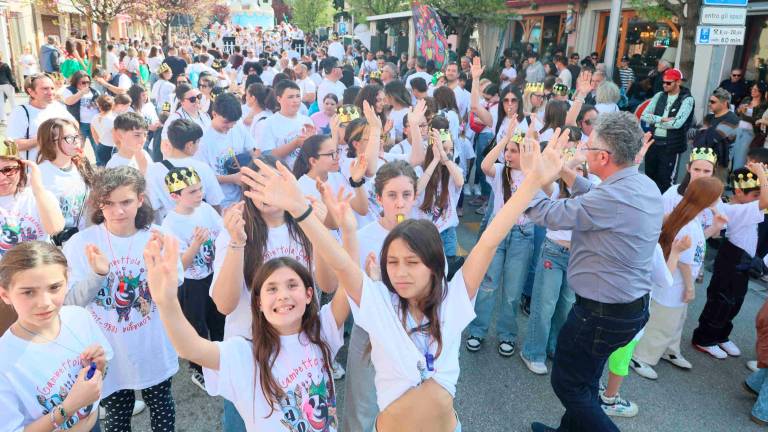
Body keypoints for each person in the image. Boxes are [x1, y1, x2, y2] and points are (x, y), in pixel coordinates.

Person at [240, 122, 567, 432]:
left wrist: (531, 183)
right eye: (392, 262)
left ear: (435, 264)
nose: (399, 271)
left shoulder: (452, 302)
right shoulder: (381, 305)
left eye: (412, 261)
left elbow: (490, 239)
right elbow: (340, 263)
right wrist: (299, 209)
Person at [527, 111, 664, 432]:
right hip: (628, 310)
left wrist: (531, 176)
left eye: (588, 148)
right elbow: (596, 196)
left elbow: (543, 211)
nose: (582, 152)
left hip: (601, 315)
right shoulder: (641, 183)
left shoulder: (612, 196)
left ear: (603, 157)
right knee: (585, 379)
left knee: (568, 385)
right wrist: (562, 170)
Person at [208, 156, 332, 432]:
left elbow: (328, 284)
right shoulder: (234, 232)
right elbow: (224, 305)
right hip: (249, 352)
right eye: (257, 185)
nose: (267, 193)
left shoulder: (304, 223)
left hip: (300, 350)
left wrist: (319, 229)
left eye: (272, 183)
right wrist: (236, 244)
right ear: (246, 191)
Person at [63, 166, 181, 432]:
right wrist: (97, 274)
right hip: (109, 353)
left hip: (153, 348)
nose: (118, 211)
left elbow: (171, 295)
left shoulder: (158, 237)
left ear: (140, 199)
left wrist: (162, 266)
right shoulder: (81, 243)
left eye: (126, 202)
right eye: (109, 203)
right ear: (98, 204)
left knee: (162, 408)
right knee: (116, 417)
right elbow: (70, 304)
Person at [0, 241, 112, 432]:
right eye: (28, 292)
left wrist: (99, 367)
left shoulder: (79, 317)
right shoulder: (5, 361)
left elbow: (103, 371)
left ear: (67, 282)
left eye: (54, 288)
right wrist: (69, 405)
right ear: (5, 295)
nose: (44, 302)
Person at [631, 176, 726, 380]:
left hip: (678, 281)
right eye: (717, 196)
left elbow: (697, 244)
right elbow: (684, 259)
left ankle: (669, 349)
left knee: (676, 319)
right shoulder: (689, 223)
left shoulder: (693, 218)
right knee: (662, 322)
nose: (720, 199)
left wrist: (715, 227)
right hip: (675, 283)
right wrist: (690, 287)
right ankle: (641, 357)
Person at [466, 120, 535, 356]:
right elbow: (485, 164)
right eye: (508, 151)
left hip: (522, 235)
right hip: (497, 233)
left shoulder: (532, 175)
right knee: (487, 284)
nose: (509, 154)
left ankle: (507, 334)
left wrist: (528, 149)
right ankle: (478, 330)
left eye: (514, 151)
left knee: (512, 291)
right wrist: (505, 139)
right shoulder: (499, 172)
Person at [692, 164, 768, 358]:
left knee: (736, 301)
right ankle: (704, 338)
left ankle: (720, 336)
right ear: (739, 191)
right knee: (720, 301)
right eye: (755, 194)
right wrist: (761, 175)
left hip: (743, 260)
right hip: (731, 259)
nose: (759, 199)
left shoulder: (745, 206)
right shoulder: (735, 209)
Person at [160, 166, 225, 391]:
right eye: (192, 192)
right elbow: (180, 266)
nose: (199, 195)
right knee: (196, 326)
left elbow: (223, 232)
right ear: (174, 196)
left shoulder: (205, 209)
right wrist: (196, 245)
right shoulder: (170, 224)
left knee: (219, 318)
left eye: (200, 189)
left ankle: (220, 360)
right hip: (191, 283)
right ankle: (199, 370)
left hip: (213, 276)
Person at [146, 118, 224, 222]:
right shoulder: (203, 168)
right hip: (199, 229)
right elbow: (215, 204)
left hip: (168, 230)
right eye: (198, 142)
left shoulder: (152, 170)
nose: (199, 146)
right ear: (189, 145)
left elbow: (151, 207)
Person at [36, 117, 95, 245]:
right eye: (69, 138)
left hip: (82, 240)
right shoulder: (40, 174)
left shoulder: (81, 166)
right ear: (51, 142)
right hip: (54, 245)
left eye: (77, 136)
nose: (76, 142)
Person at [196, 92, 257, 209]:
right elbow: (205, 178)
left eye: (233, 122)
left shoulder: (238, 127)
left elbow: (253, 152)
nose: (230, 126)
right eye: (226, 122)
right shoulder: (203, 142)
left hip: (246, 197)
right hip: (222, 202)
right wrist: (233, 179)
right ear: (214, 114)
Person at [641, 68, 695, 193]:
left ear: (678, 82)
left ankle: (664, 206)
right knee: (649, 176)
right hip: (654, 142)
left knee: (665, 179)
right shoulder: (659, 95)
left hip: (670, 145)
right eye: (663, 82)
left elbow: (677, 124)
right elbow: (644, 115)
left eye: (668, 83)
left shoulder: (687, 99)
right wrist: (662, 119)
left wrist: (655, 121)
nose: (665, 85)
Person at [7, 73, 76, 162]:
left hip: (62, 167)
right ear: (31, 91)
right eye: (45, 89)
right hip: (36, 171)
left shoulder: (57, 106)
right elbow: (13, 145)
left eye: (52, 88)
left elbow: (74, 124)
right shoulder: (20, 112)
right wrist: (44, 138)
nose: (51, 92)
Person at [258, 80, 315, 169]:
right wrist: (295, 143)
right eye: (290, 97)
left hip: (306, 173)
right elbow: (267, 157)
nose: (295, 100)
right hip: (283, 176)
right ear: (279, 99)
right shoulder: (268, 123)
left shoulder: (307, 120)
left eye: (298, 96)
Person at [63, 70, 100, 154]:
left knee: (97, 147)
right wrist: (81, 93)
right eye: (83, 82)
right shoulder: (69, 90)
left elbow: (101, 104)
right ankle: (79, 165)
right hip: (79, 124)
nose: (86, 84)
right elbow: (69, 101)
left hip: (94, 123)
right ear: (76, 81)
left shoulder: (94, 91)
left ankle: (100, 166)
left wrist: (97, 104)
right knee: (77, 148)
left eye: (88, 82)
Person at [91, 94, 118, 167]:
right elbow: (116, 138)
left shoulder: (94, 117)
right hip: (111, 148)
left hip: (100, 146)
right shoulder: (113, 120)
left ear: (99, 106)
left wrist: (99, 144)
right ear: (112, 105)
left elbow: (94, 134)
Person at [0, 53, 18, 125]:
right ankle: (16, 115)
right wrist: (15, 86)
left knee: (0, 103)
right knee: (12, 100)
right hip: (6, 84)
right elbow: (10, 76)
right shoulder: (5, 65)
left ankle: (3, 119)